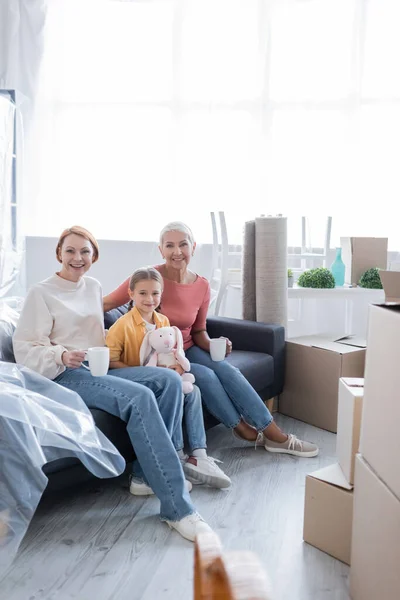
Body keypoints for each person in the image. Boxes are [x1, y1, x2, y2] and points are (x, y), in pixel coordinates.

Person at [12, 225, 213, 542]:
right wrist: (62, 355)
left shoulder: (92, 287)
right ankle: (179, 509)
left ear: (94, 256)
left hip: (97, 367)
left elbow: (111, 327)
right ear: (59, 254)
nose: (78, 258)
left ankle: (145, 477)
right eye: (70, 251)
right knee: (140, 399)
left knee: (169, 382)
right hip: (63, 375)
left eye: (85, 252)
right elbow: (24, 349)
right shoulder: (41, 292)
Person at [103, 222, 319, 458]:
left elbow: (198, 331)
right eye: (170, 245)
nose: (177, 251)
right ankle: (241, 428)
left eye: (183, 244)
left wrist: (216, 344)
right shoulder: (149, 279)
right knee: (205, 376)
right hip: (161, 356)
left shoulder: (202, 285)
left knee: (227, 370)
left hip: (188, 348)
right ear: (161, 250)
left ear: (193, 247)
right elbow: (105, 304)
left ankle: (274, 433)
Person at [105, 266, 231, 489]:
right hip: (130, 377)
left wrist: (177, 368)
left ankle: (199, 455)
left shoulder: (163, 322)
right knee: (171, 389)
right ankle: (176, 457)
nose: (149, 299)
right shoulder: (121, 326)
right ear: (131, 294)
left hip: (162, 376)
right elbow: (111, 362)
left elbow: (170, 354)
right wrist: (149, 374)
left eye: (155, 293)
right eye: (142, 293)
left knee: (194, 392)